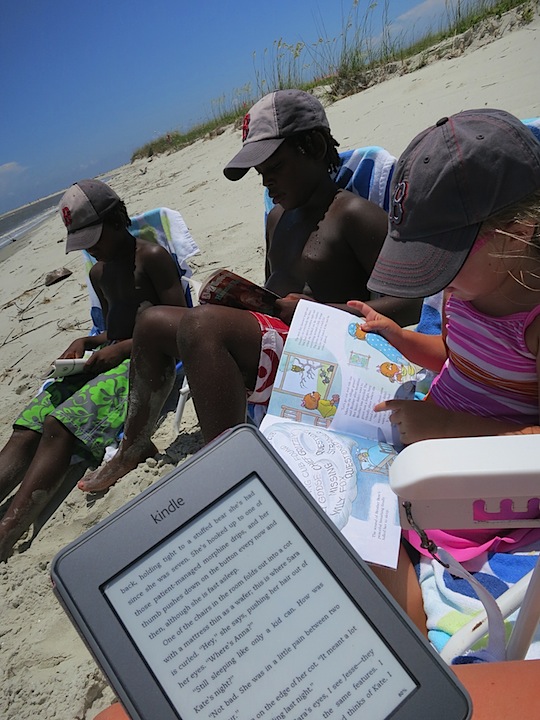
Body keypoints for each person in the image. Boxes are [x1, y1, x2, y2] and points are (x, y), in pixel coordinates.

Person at [78, 88, 421, 493]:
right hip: (279, 343)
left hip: (326, 354)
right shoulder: (278, 218)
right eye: (260, 172)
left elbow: (412, 302)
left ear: (311, 145)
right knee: (151, 322)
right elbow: (274, 287)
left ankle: (235, 477)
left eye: (274, 166)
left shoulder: (352, 215)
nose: (266, 181)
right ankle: (132, 447)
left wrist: (322, 311)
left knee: (203, 326)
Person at [341, 108, 540, 622]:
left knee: (374, 532)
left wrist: (451, 430)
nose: (436, 282)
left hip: (488, 474)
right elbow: (457, 359)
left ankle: (417, 634)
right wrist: (402, 338)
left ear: (516, 232)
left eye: (442, 261)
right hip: (432, 438)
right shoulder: (467, 290)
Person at [0, 179, 188, 561]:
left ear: (117, 219)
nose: (90, 248)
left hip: (144, 363)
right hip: (111, 357)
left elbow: (180, 324)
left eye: (94, 237)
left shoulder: (150, 257)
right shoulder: (98, 273)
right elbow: (115, 326)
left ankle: (8, 529)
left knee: (58, 424)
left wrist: (118, 349)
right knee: (31, 420)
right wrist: (90, 342)